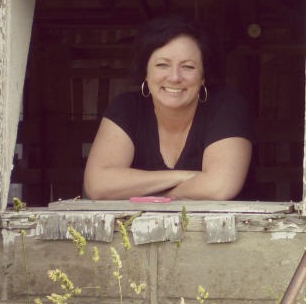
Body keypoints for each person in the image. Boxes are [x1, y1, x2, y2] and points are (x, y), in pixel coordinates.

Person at [84, 15, 253, 200]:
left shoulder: (226, 105)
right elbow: (97, 186)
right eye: (162, 65)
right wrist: (186, 177)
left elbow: (219, 187)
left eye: (188, 67)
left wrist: (147, 192)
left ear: (203, 76)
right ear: (145, 72)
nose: (174, 77)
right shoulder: (127, 108)